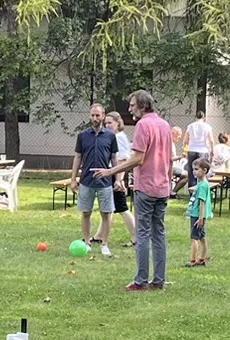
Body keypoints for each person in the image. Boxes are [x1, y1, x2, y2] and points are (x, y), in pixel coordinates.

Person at [109, 90, 174, 291]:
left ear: (143, 106)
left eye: (132, 105)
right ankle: (158, 281)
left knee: (143, 234)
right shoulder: (164, 125)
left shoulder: (143, 125)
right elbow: (170, 159)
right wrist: (169, 183)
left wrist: (111, 171)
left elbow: (138, 158)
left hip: (146, 187)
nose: (130, 109)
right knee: (159, 234)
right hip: (162, 187)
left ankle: (140, 281)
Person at [71, 103, 118, 257]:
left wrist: (117, 178)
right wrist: (73, 179)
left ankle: (105, 244)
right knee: (86, 212)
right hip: (86, 180)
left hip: (105, 181)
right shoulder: (83, 136)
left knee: (106, 213)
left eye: (98, 115)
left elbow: (114, 158)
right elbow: (78, 157)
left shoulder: (110, 136)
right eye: (92, 115)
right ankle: (87, 242)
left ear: (103, 116)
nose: (95, 118)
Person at [110, 105, 137, 247]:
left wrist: (119, 179)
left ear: (117, 123)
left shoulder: (119, 137)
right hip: (112, 174)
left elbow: (123, 160)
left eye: (110, 123)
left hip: (118, 175)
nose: (107, 125)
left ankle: (136, 236)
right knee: (108, 207)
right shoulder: (114, 137)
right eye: (106, 123)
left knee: (122, 207)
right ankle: (99, 235)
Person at [185, 169, 214, 267]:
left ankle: (193, 260)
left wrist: (200, 218)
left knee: (194, 238)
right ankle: (202, 259)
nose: (194, 171)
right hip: (201, 215)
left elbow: (202, 202)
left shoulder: (202, 186)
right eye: (193, 169)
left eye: (197, 169)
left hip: (197, 215)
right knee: (202, 236)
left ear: (204, 170)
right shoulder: (204, 183)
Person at [184, 110, 214, 183]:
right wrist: (212, 151)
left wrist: (185, 150)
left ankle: (192, 187)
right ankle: (201, 185)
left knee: (192, 171)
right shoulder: (207, 127)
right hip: (203, 150)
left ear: (196, 117)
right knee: (202, 171)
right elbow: (211, 140)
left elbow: (185, 140)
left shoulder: (190, 126)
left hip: (192, 149)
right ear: (204, 117)